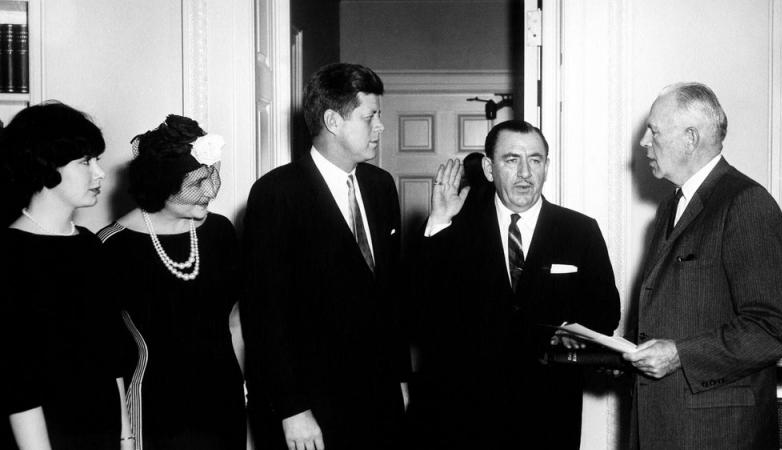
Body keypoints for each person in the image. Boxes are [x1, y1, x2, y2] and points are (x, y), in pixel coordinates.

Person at [414, 119, 621, 449]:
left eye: (535, 160)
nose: (525, 173)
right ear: (489, 168)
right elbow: (422, 313)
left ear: (546, 166)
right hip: (467, 416)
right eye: (512, 160)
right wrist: (439, 222)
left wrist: (570, 332)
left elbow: (606, 314)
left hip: (550, 412)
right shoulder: (456, 229)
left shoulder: (580, 231)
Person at [623, 83, 782, 449]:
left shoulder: (746, 204)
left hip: (717, 434)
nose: (643, 141)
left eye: (654, 131)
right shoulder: (669, 209)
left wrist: (679, 355)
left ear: (690, 138)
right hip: (662, 426)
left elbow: (778, 325)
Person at [241, 62, 409, 450]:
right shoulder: (276, 194)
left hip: (379, 398)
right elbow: (265, 314)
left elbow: (390, 296)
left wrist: (399, 379)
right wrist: (292, 409)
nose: (380, 127)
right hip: (312, 407)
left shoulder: (381, 186)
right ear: (333, 120)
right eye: (371, 117)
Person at [97, 115, 246, 449]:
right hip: (154, 412)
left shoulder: (220, 232)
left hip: (224, 407)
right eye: (196, 184)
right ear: (161, 185)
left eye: (210, 177)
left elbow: (235, 322)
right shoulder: (112, 246)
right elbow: (107, 355)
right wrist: (124, 434)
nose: (210, 191)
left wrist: (242, 398)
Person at [0, 101, 133, 449]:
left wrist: (126, 437)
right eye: (85, 162)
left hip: (102, 434)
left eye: (98, 160)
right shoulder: (10, 255)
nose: (99, 173)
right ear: (45, 164)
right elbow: (16, 382)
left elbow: (112, 357)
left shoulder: (91, 246)